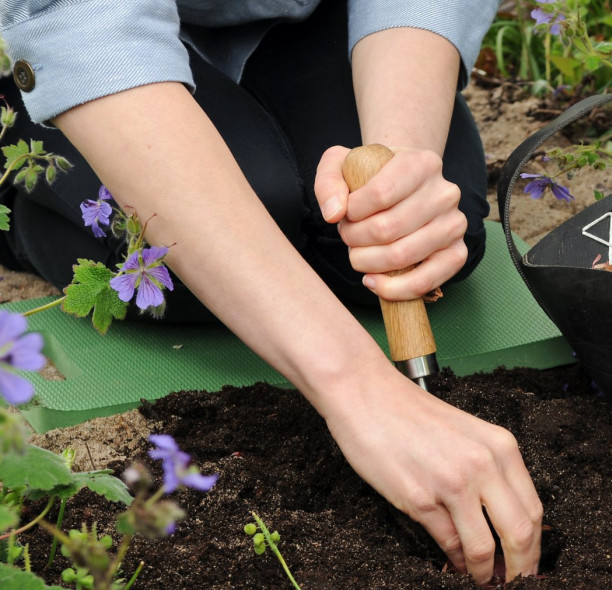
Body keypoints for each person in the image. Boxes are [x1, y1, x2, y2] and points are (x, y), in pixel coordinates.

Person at [0, 0, 543, 585]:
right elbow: (86, 27)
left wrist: (395, 187)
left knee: (426, 238)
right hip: (92, 38)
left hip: (300, 17)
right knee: (174, 273)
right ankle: (16, 195)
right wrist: (360, 389)